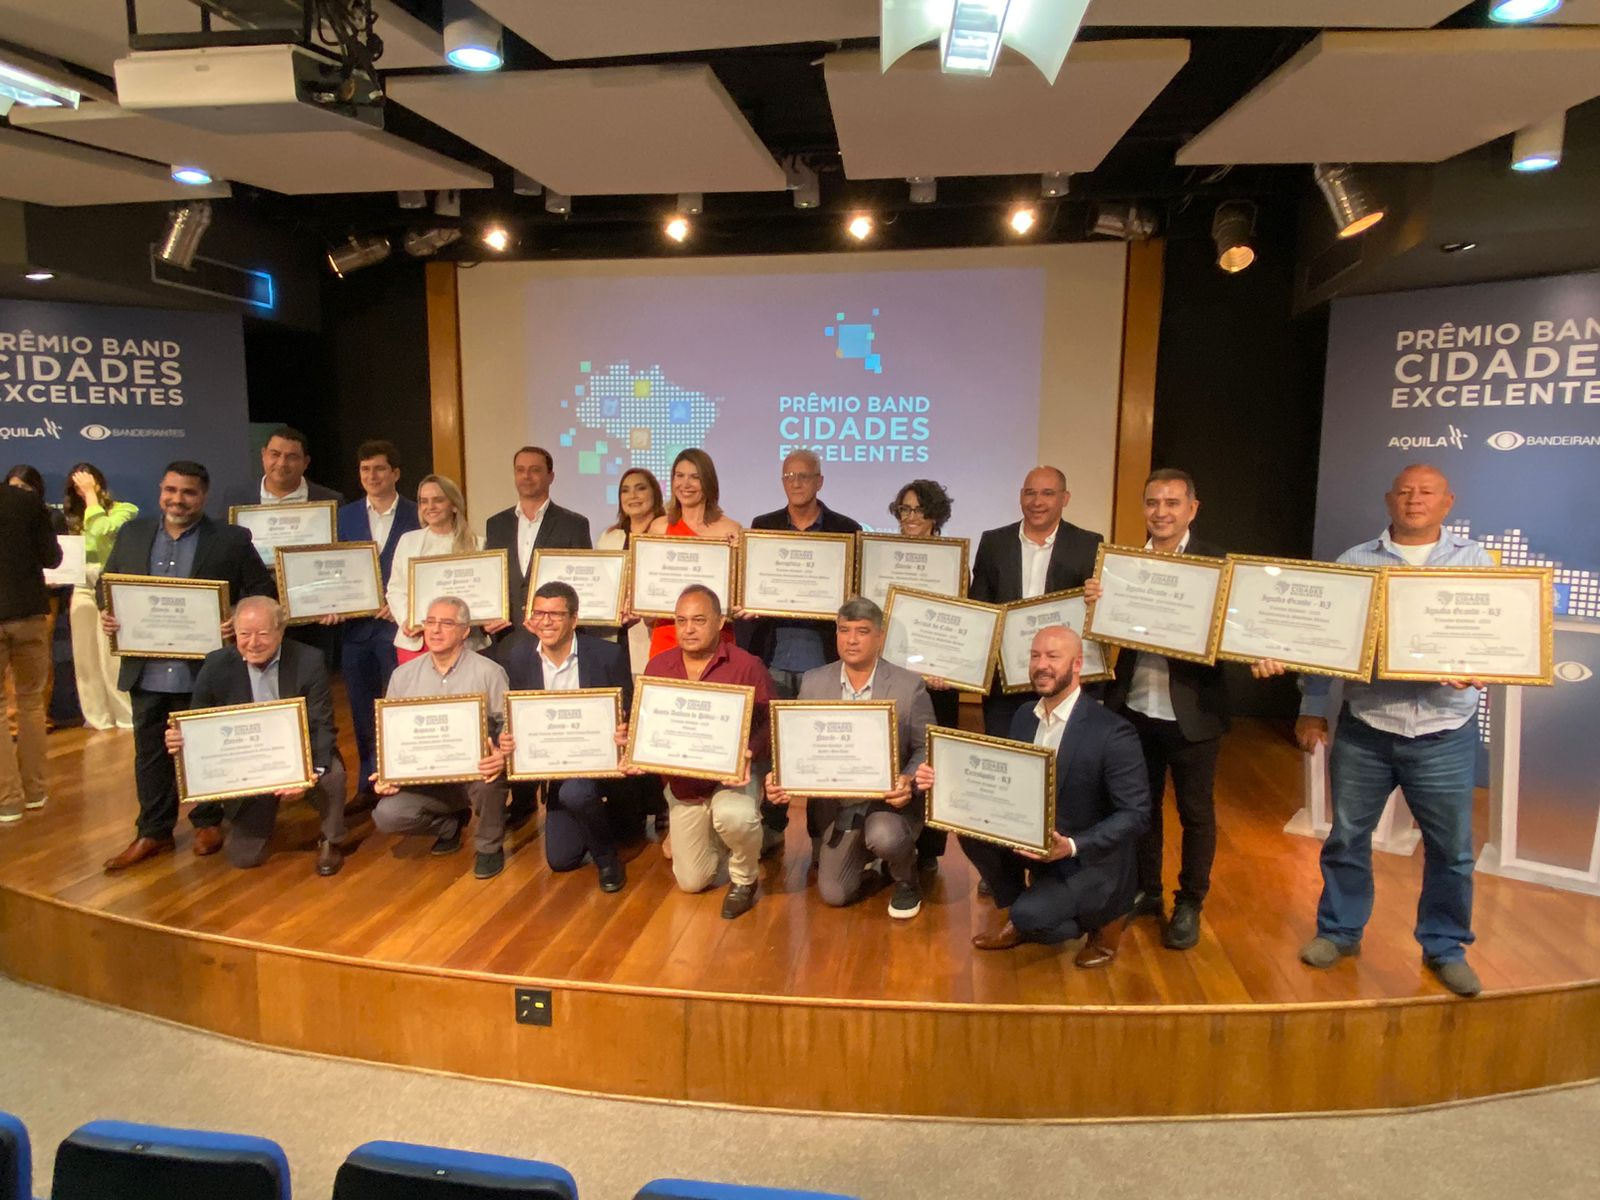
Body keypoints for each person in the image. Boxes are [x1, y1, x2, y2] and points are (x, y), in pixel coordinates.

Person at [1255, 464, 1492, 998]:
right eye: (1405, 492)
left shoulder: (1475, 562)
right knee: (1345, 838)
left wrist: (1487, 661)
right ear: (1389, 500)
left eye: (1426, 492)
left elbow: (1494, 633)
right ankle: (1339, 932)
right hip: (1367, 726)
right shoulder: (1355, 562)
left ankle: (1445, 946)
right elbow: (1323, 639)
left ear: (1447, 502)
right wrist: (1313, 704)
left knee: (1451, 851)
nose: (1414, 500)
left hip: (1443, 728)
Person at [917, 626, 1149, 966]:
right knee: (967, 827)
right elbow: (1005, 783)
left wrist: (1070, 845)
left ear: (1077, 664)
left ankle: (1105, 921)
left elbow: (1137, 814)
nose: (1042, 665)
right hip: (1034, 840)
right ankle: (1025, 908)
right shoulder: (1024, 716)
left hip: (1086, 856)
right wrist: (946, 781)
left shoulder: (1113, 732)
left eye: (1053, 657)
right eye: (1036, 655)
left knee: (1034, 918)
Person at [99, 461, 277, 870]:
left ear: (204, 496)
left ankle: (208, 821)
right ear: (161, 490)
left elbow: (261, 592)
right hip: (147, 666)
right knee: (149, 752)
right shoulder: (133, 533)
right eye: (171, 490)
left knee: (206, 745)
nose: (177, 499)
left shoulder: (230, 540)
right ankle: (153, 831)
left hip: (206, 667)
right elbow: (106, 584)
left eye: (188, 492)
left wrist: (238, 616)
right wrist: (109, 609)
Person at [1088, 468, 1228, 951]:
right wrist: (1098, 607)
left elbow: (1234, 639)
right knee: (1139, 809)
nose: (1161, 512)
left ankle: (1189, 900)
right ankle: (1146, 890)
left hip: (1194, 714)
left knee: (1196, 813)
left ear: (1193, 508)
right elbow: (1105, 638)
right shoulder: (1121, 565)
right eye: (1152, 503)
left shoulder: (1218, 567)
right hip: (1134, 708)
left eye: (1171, 503)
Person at [766, 597, 934, 917]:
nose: (852, 640)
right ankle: (864, 857)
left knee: (884, 835)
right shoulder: (814, 681)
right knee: (834, 894)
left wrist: (908, 780)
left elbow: (926, 747)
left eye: (862, 631)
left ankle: (906, 878)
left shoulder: (908, 686)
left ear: (880, 638)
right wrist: (781, 775)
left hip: (887, 804)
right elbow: (799, 742)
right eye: (844, 630)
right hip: (838, 804)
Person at [166, 597, 348, 875]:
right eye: (244, 634)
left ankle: (331, 839)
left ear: (280, 631)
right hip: (246, 763)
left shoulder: (308, 660)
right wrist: (181, 740)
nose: (253, 643)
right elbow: (197, 721)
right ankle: (261, 812)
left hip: (297, 754)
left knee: (332, 772)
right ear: (234, 633)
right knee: (244, 857)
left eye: (262, 634)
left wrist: (308, 772)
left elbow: (322, 725)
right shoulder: (216, 664)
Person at [744, 450, 865, 857]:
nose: (796, 482)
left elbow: (856, 595)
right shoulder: (763, 527)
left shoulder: (847, 530)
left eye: (804, 476)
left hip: (824, 662)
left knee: (816, 749)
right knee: (773, 747)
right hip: (774, 657)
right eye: (788, 476)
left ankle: (819, 837)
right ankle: (773, 827)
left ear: (820, 481)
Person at [630, 584, 772, 919]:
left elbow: (770, 726)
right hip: (685, 787)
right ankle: (727, 839)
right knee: (692, 881)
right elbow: (647, 724)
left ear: (721, 621)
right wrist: (633, 744)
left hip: (732, 779)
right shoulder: (659, 667)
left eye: (698, 620)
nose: (688, 629)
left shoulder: (747, 666)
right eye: (681, 621)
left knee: (734, 816)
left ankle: (744, 877)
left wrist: (749, 751)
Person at [497, 581, 634, 891]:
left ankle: (607, 859)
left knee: (577, 793)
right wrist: (508, 738)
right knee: (562, 860)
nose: (546, 621)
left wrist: (624, 728)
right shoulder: (517, 659)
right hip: (556, 766)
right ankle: (600, 820)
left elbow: (629, 709)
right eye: (540, 613)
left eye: (556, 614)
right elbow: (513, 716)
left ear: (574, 618)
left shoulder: (607, 655)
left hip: (602, 761)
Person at [371, 596, 511, 879]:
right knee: (386, 814)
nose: (435, 630)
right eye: (430, 622)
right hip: (426, 777)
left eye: (446, 623)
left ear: (465, 631)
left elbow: (508, 724)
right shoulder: (403, 676)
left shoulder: (489, 672)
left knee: (491, 781)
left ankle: (488, 847)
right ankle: (449, 826)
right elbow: (392, 733)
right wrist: (387, 772)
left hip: (474, 774)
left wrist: (501, 755)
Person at [969, 466, 1103, 738]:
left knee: (1060, 764)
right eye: (1030, 493)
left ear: (1065, 498)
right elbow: (978, 608)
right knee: (1006, 761)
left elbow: (1096, 614)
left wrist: (1099, 597)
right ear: (1020, 497)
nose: (1037, 502)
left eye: (1047, 494)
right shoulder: (994, 542)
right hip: (1003, 684)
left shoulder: (1088, 544)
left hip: (1062, 682)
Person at [334, 440, 420, 794]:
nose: (372, 475)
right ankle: (367, 784)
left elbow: (427, 571)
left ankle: (406, 778)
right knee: (361, 710)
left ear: (396, 473)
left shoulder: (417, 514)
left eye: (380, 468)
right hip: (355, 631)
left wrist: (401, 604)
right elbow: (329, 569)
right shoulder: (342, 516)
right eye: (365, 469)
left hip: (399, 630)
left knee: (400, 707)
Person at [889, 478, 960, 871]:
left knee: (933, 763)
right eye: (905, 509)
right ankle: (890, 839)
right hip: (892, 675)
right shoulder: (882, 556)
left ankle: (929, 850)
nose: (911, 517)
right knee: (893, 755)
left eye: (919, 509)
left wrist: (946, 666)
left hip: (939, 682)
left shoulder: (952, 560)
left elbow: (959, 624)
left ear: (936, 515)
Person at [0, 470, 62, 823]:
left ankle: (7, 802)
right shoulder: (27, 501)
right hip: (29, 614)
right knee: (31, 704)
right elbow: (52, 558)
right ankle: (35, 793)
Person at [483, 446, 592, 643]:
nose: (526, 476)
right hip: (506, 636)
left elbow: (583, 581)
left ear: (551, 476)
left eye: (535, 470)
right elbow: (490, 577)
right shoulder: (496, 524)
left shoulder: (574, 524)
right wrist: (486, 614)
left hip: (555, 637)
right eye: (520, 470)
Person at [61, 464, 139, 731]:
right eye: (77, 489)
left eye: (86, 486)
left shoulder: (124, 510)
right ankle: (97, 716)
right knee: (86, 657)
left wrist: (92, 497)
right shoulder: (71, 519)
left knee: (112, 655)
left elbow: (104, 531)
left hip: (111, 584)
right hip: (82, 584)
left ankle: (125, 715)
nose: (81, 493)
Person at [644, 449, 741, 660]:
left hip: (715, 639)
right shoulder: (659, 528)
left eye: (695, 477)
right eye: (679, 476)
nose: (685, 484)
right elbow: (647, 592)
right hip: (668, 635)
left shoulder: (730, 530)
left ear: (708, 482)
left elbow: (737, 598)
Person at [386, 474, 481, 666]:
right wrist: (408, 620)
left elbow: (482, 593)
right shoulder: (408, 541)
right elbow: (396, 590)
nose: (430, 507)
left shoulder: (478, 544)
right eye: (424, 501)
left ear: (454, 505)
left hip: (463, 642)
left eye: (438, 500)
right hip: (415, 640)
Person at [598, 467, 667, 674]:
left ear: (654, 494)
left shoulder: (667, 535)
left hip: (650, 634)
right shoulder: (609, 537)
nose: (633, 496)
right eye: (625, 491)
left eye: (640, 489)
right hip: (610, 636)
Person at [257, 425, 342, 504]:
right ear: (263, 455)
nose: (282, 463)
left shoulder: (331, 501)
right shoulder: (244, 499)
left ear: (306, 462)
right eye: (275, 454)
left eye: (292, 457)